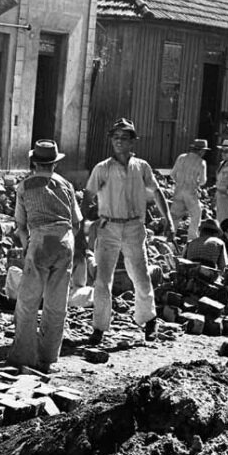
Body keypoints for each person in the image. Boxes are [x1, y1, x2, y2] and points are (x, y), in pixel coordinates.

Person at [85, 118, 174, 343]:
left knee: (141, 276)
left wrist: (169, 221)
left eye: (124, 138)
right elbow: (87, 196)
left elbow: (157, 192)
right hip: (109, 227)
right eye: (115, 137)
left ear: (133, 141)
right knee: (103, 279)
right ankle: (99, 328)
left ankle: (149, 319)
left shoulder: (141, 167)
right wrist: (82, 227)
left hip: (134, 227)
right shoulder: (102, 168)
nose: (119, 142)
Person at [9, 139, 82, 372]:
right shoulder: (66, 185)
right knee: (56, 303)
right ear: (54, 164)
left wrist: (27, 245)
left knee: (28, 301)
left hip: (39, 240)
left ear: (34, 163)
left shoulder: (24, 186)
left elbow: (20, 225)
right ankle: (48, 357)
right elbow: (77, 223)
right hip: (65, 241)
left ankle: (24, 355)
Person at [169, 138, 208, 240]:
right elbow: (203, 181)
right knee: (196, 215)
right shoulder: (201, 162)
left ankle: (169, 240)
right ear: (201, 150)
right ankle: (191, 239)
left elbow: (172, 174)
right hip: (191, 192)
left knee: (174, 217)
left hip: (178, 191)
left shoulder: (181, 158)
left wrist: (179, 182)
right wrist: (196, 184)